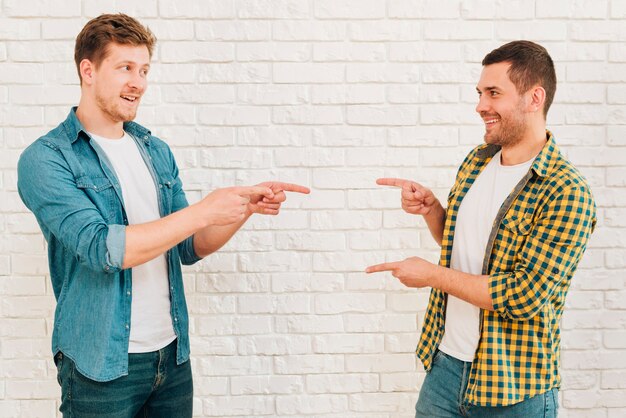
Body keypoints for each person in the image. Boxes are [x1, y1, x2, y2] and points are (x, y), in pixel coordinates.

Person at [17, 13, 309, 418]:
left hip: (170, 359)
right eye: (124, 68)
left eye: (144, 70)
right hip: (101, 368)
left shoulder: (155, 151)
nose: (138, 82)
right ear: (88, 70)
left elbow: (188, 246)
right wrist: (205, 209)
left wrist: (240, 210)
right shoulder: (47, 159)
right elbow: (105, 249)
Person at [366, 40, 596, 417]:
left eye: (494, 93)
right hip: (445, 369)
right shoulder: (477, 162)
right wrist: (433, 211)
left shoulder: (566, 191)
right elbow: (462, 247)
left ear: (534, 98)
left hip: (514, 389)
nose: (480, 105)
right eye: (479, 93)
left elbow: (522, 295)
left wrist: (431, 275)